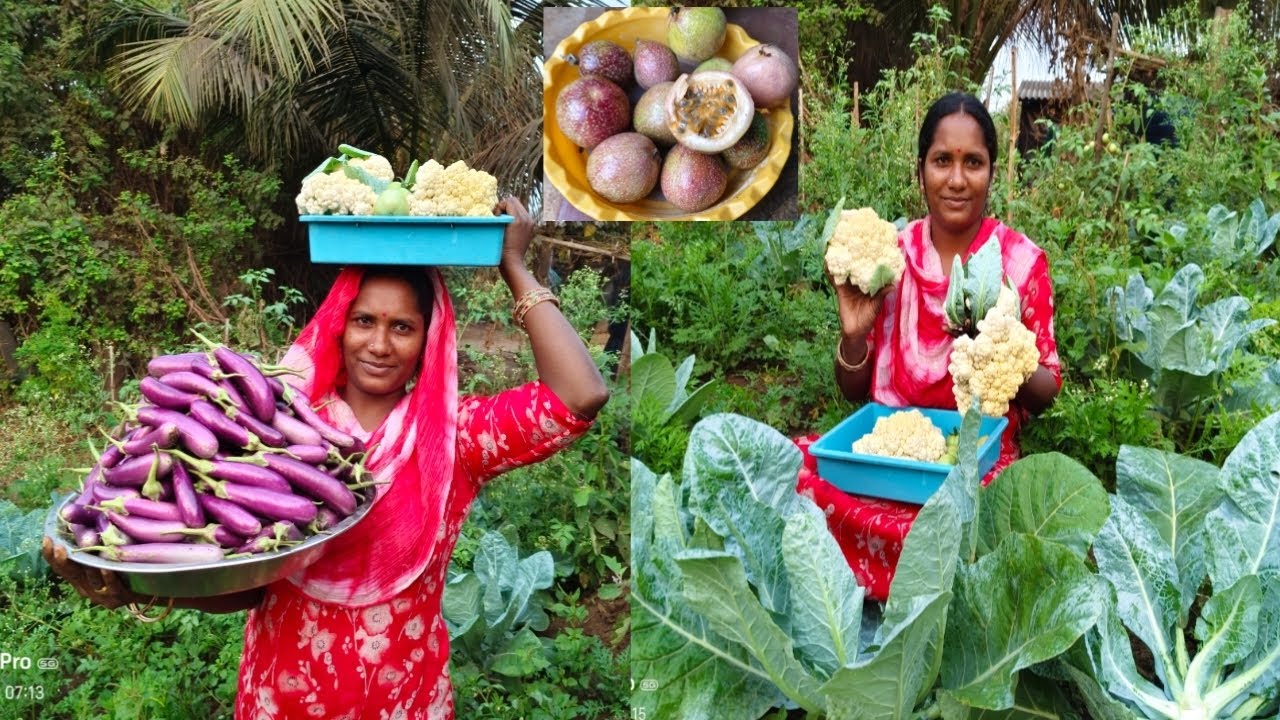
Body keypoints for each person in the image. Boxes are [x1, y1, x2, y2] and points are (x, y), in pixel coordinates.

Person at [42, 196, 610, 719]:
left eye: (402, 327)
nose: (380, 344)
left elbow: (579, 396)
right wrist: (137, 585)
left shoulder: (454, 437)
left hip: (405, 697)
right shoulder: (280, 428)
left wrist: (515, 265)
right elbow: (253, 582)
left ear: (429, 338)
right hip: (283, 692)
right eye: (364, 320)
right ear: (340, 324)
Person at [799, 91, 1062, 599]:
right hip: (887, 458)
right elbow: (854, 393)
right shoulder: (890, 261)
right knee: (796, 476)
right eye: (943, 160)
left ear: (991, 172)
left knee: (973, 533)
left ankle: (884, 586)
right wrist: (854, 333)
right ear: (921, 171)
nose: (957, 179)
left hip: (975, 462)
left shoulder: (1021, 264)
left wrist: (1000, 345)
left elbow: (1046, 390)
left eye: (974, 163)